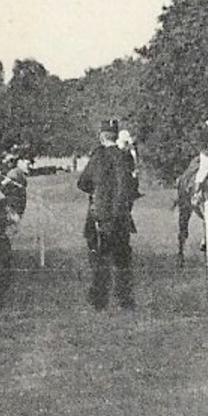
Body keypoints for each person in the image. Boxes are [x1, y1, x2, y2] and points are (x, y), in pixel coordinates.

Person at [76, 119, 136, 310]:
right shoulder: (124, 156)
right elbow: (131, 186)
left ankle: (99, 301)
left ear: (101, 136)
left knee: (99, 258)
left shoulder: (97, 156)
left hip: (99, 215)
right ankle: (125, 300)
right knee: (122, 259)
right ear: (117, 136)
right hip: (121, 216)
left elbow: (82, 183)